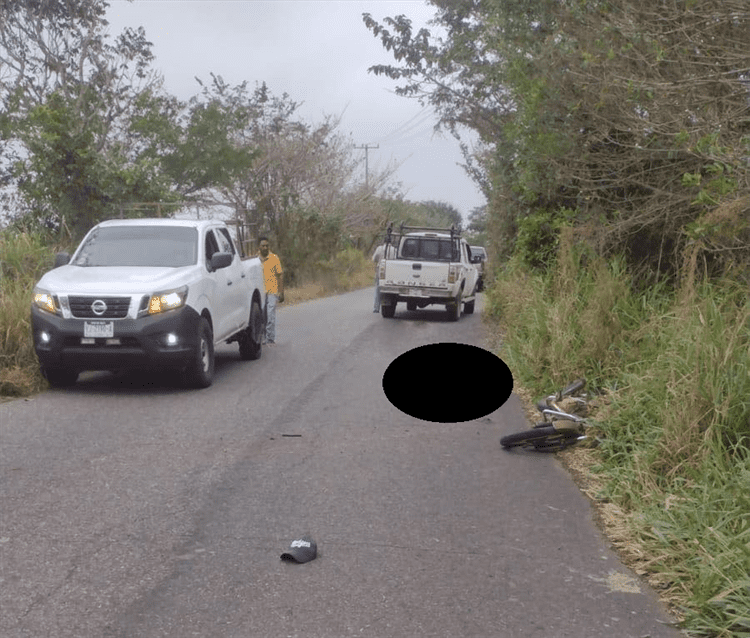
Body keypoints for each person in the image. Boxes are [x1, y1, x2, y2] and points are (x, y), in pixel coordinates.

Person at [258, 236, 284, 345]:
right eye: (263, 246)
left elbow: (280, 275)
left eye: (267, 245)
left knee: (270, 315)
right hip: (260, 293)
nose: (265, 248)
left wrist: (281, 292)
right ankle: (263, 337)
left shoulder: (274, 258)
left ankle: (270, 339)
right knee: (262, 317)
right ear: (259, 247)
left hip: (272, 291)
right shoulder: (255, 260)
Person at [371, 241, 395, 312]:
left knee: (378, 289)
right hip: (391, 272)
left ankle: (376, 308)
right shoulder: (394, 249)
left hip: (380, 271)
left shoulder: (379, 248)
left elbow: (373, 259)